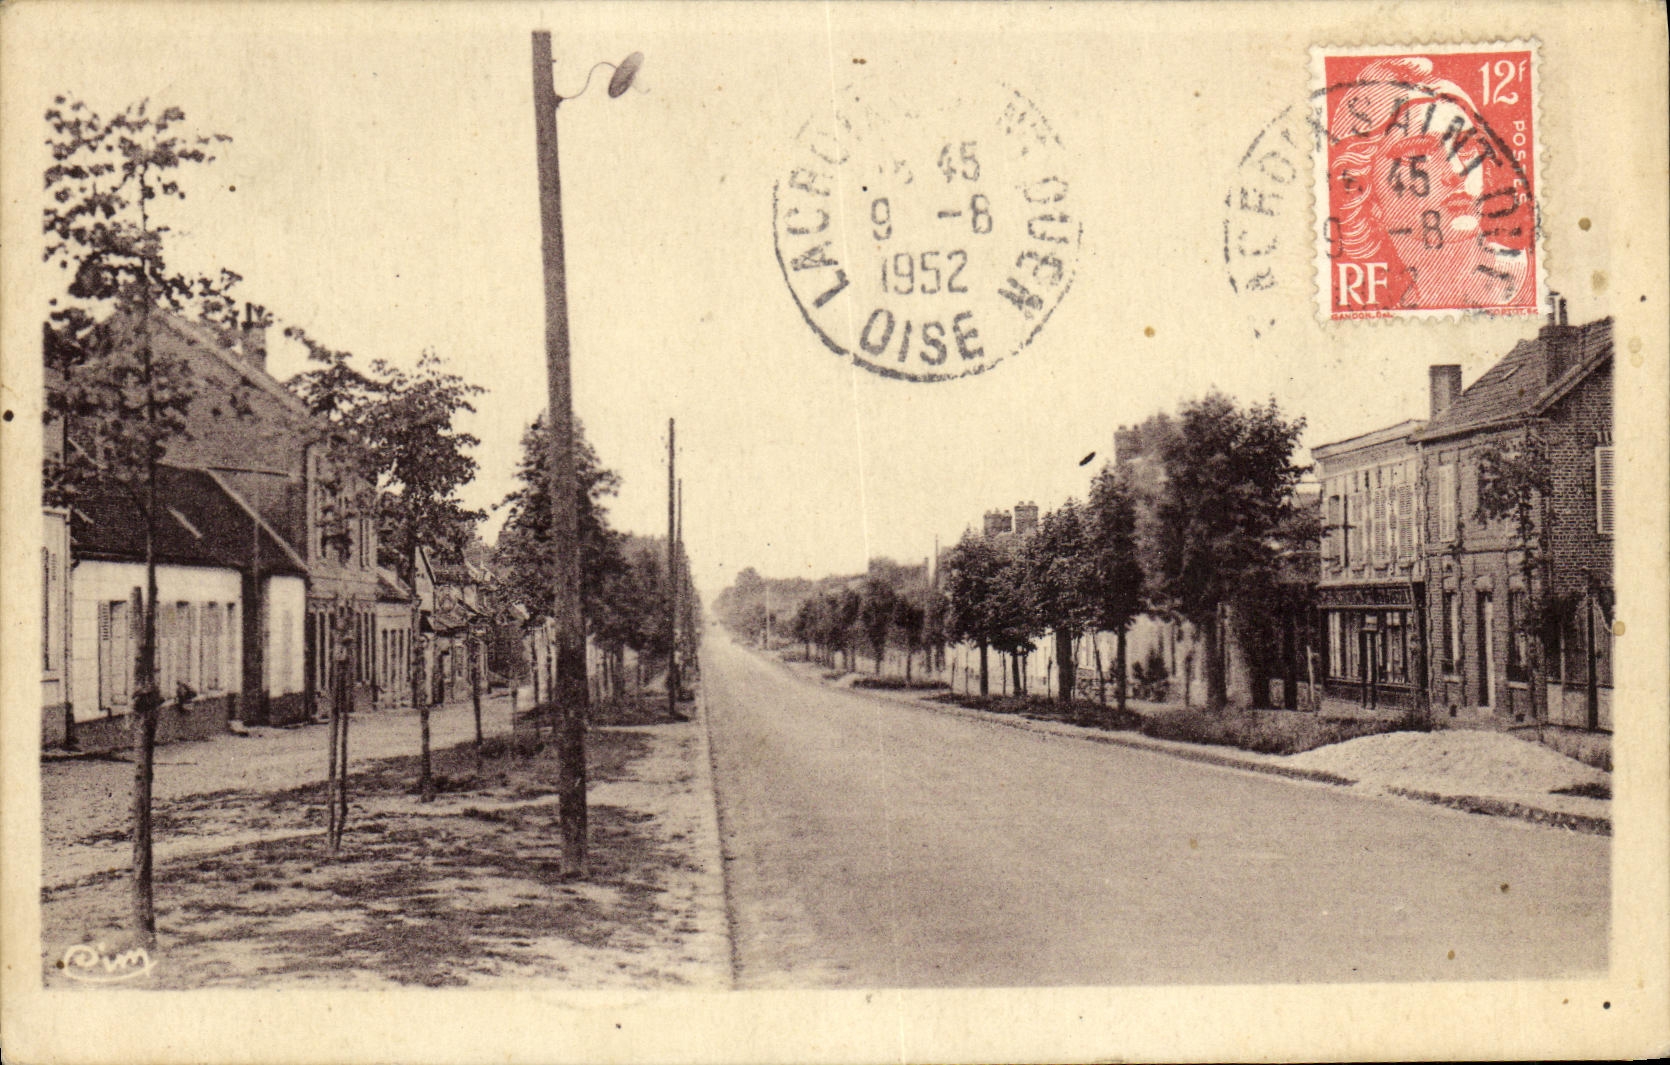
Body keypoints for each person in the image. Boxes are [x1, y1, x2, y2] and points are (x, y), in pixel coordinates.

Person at [1327, 55, 1534, 311]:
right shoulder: (1397, 300)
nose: (1457, 172)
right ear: (1365, 192)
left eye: (1466, 148)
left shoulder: (1513, 284)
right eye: (1419, 155)